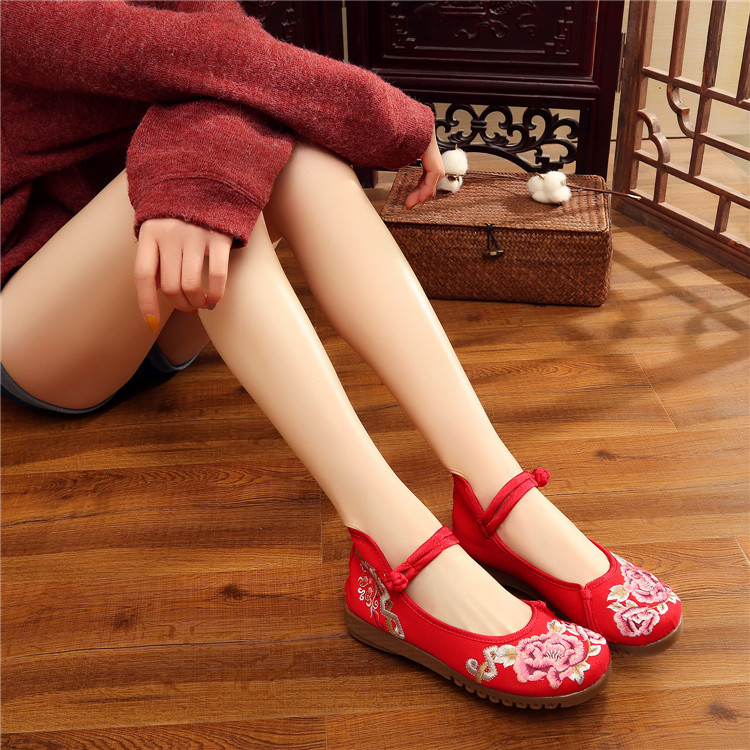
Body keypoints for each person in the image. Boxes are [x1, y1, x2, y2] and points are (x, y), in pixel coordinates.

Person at [0, 0, 681, 709]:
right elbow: (172, 56)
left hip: (172, 285)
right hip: (42, 317)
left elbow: (223, 50)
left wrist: (203, 156)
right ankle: (391, 543)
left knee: (263, 154)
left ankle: (495, 496)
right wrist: (394, 118)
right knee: (213, 165)